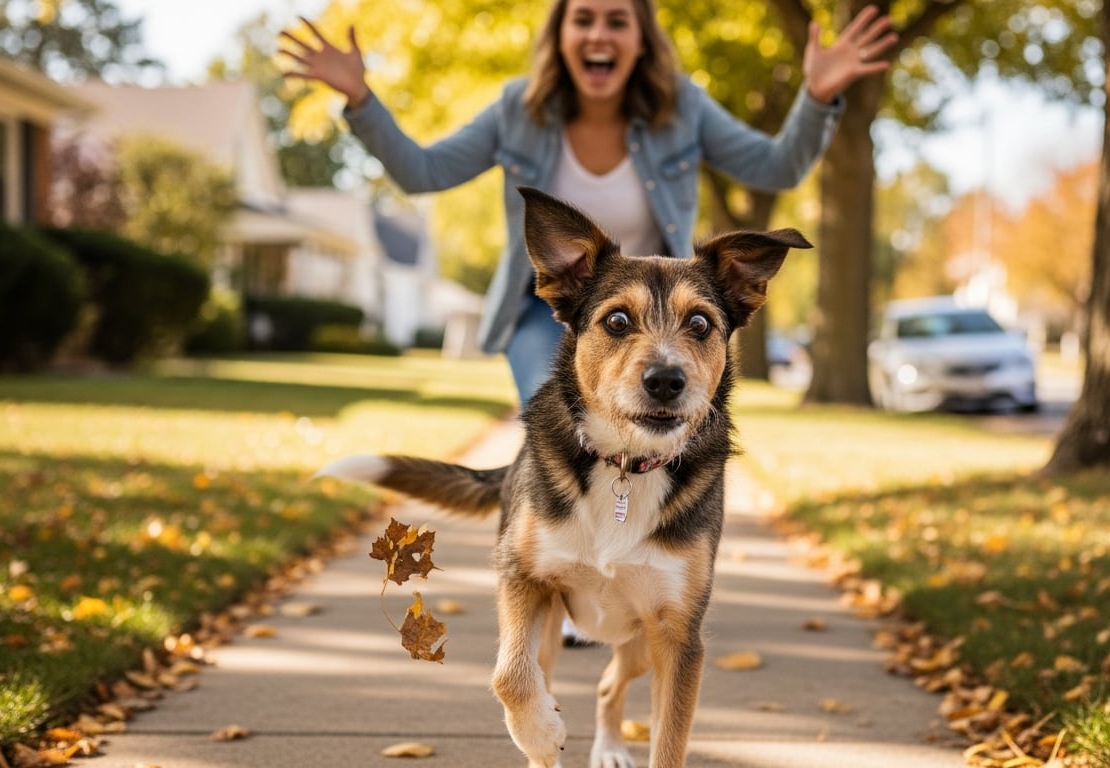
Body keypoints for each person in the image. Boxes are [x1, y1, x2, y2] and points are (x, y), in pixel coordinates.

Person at [280, 0, 894, 644]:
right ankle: (559, 573)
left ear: (641, 39)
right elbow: (423, 171)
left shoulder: (682, 107)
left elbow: (776, 167)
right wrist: (359, 98)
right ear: (562, 34)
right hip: (560, 309)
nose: (599, 32)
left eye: (617, 20)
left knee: (648, 444)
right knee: (562, 431)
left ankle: (628, 575)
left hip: (665, 312)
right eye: (584, 18)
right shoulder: (518, 110)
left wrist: (818, 97)